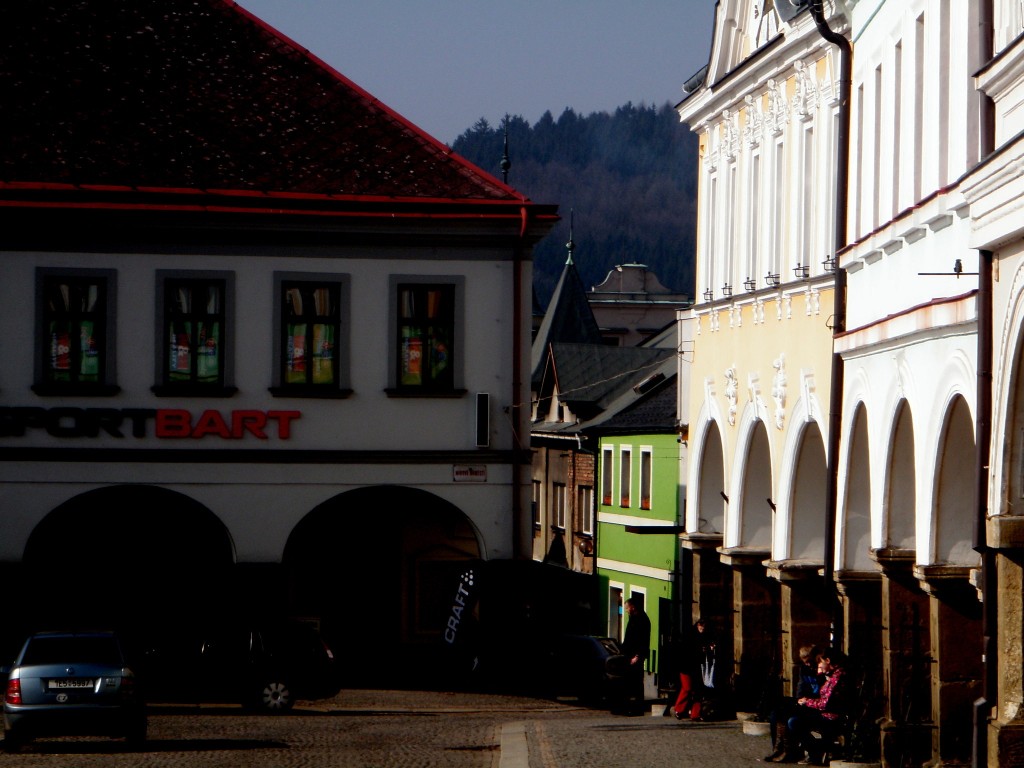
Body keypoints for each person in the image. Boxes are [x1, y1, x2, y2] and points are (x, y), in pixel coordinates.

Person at [772, 648, 850, 765]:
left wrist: (807, 702)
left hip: (830, 715)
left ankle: (814, 751)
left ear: (827, 661)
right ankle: (784, 749)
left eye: (820, 662)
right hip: (824, 711)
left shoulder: (837, 677)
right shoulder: (833, 675)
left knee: (793, 720)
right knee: (783, 711)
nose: (819, 665)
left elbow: (825, 703)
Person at [763, 645, 822, 761]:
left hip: (815, 704)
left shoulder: (821, 670)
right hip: (805, 701)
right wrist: (800, 698)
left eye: (810, 662)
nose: (808, 664)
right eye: (805, 662)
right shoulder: (804, 669)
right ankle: (778, 749)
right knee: (776, 712)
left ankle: (788, 750)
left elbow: (822, 693)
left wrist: (808, 700)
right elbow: (801, 686)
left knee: (787, 715)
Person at [614, 597, 650, 715]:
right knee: (628, 682)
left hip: (635, 656)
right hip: (628, 654)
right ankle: (626, 707)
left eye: (627, 608)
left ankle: (637, 708)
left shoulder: (642, 620)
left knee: (636, 682)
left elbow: (643, 640)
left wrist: (638, 656)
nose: (626, 610)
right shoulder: (633, 619)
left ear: (633, 607)